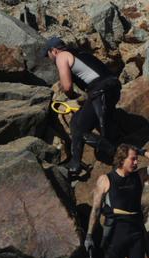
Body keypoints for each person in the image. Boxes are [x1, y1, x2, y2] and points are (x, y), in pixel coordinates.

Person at [41, 37, 121, 176]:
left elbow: (67, 86)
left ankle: (118, 153)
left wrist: (71, 97)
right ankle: (76, 162)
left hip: (100, 91)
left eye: (48, 55)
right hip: (112, 88)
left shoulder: (61, 56)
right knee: (76, 121)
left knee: (79, 128)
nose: (50, 60)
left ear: (53, 51)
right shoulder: (80, 53)